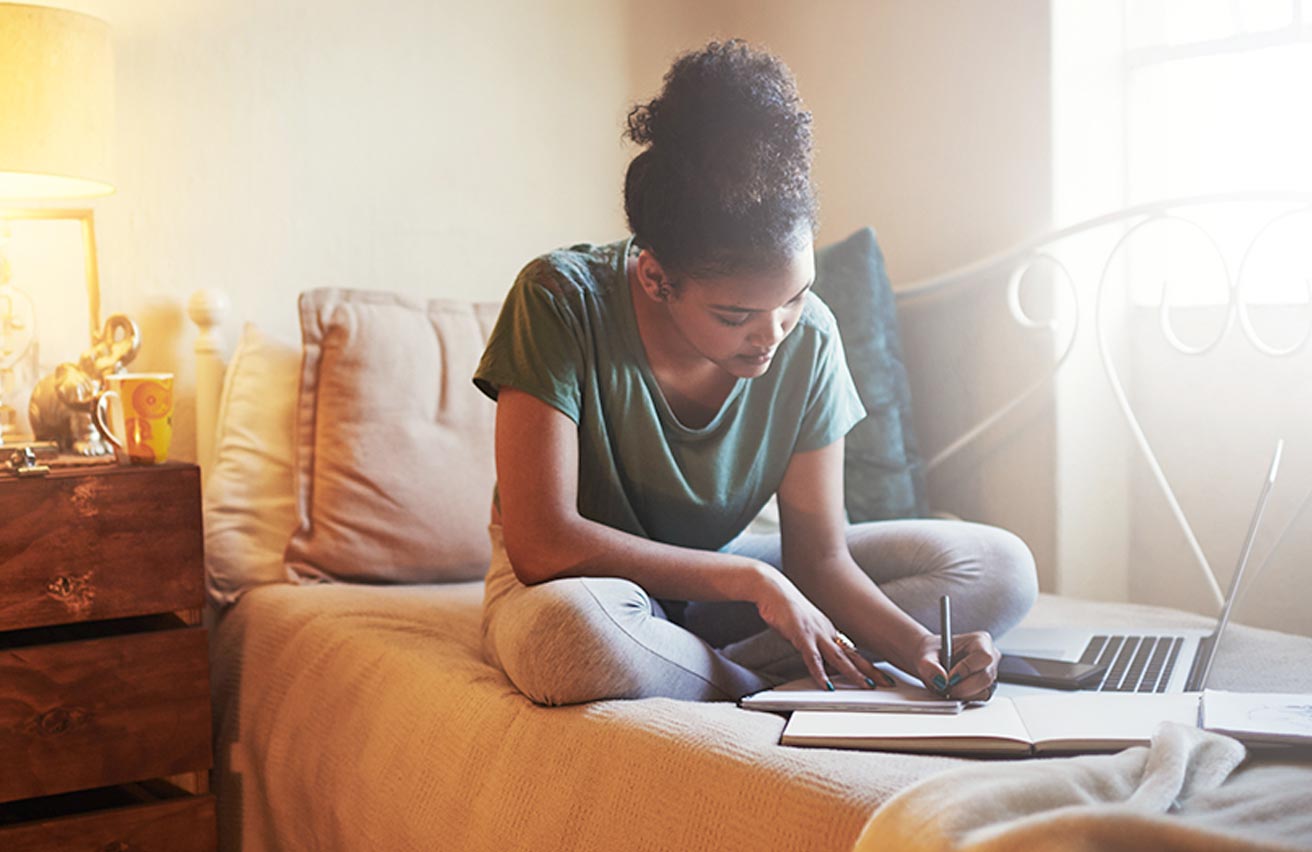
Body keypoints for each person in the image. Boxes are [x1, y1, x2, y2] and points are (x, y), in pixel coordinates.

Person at [473, 39, 1036, 707]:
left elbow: (819, 562)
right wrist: (749, 581)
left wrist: (921, 650)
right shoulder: (559, 301)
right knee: (570, 642)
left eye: (794, 298)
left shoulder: (812, 337)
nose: (772, 334)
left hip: (717, 596)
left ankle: (699, 668)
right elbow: (542, 544)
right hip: (579, 589)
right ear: (656, 278)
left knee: (1002, 568)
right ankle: (758, 679)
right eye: (737, 312)